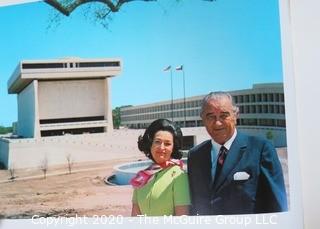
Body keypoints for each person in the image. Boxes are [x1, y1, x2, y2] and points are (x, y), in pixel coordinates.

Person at [187, 91, 288, 215]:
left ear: (235, 115)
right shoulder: (195, 156)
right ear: (203, 119)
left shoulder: (260, 149)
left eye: (224, 115)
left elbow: (277, 206)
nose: (217, 123)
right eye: (210, 116)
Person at [130, 119, 191, 216]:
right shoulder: (142, 176)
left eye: (167, 144)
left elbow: (182, 218)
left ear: (173, 148)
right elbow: (135, 216)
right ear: (150, 144)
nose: (161, 147)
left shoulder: (179, 176)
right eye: (157, 142)